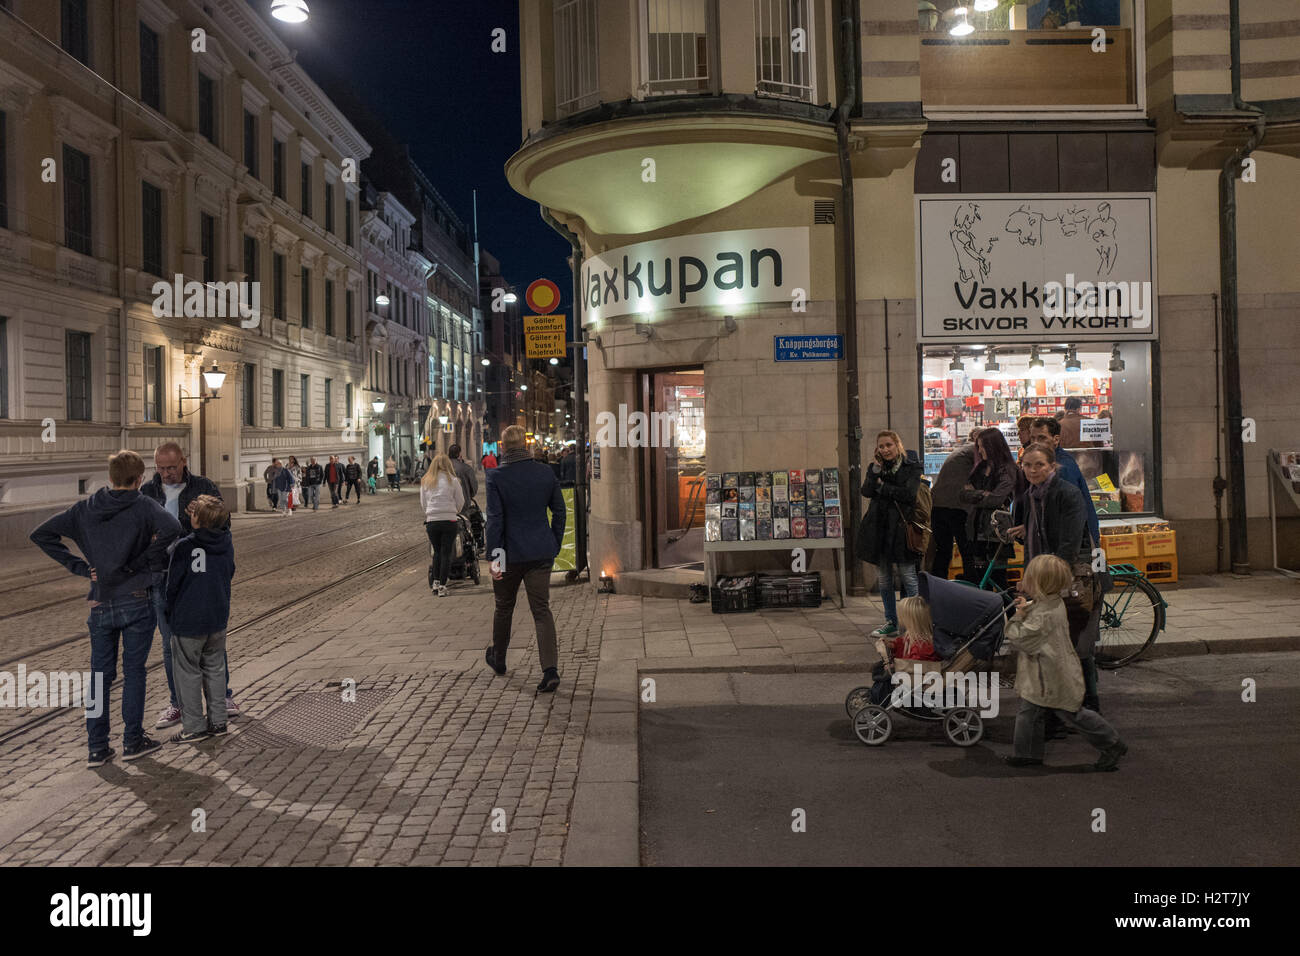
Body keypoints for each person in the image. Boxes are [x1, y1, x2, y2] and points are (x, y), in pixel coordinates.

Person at [30, 449, 182, 767]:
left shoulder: (86, 508)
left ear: (109, 477)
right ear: (139, 479)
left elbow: (41, 534)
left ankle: (97, 748)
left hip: (100, 601)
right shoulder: (143, 505)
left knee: (99, 677)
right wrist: (140, 562)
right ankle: (132, 740)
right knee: (134, 672)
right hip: (136, 598)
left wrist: (83, 568)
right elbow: (173, 529)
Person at [140, 441, 239, 729]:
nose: (166, 473)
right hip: (163, 577)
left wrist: (199, 525)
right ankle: (177, 703)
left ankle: (222, 698)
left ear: (183, 462)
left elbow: (224, 523)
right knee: (171, 643)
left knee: (211, 640)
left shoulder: (203, 486)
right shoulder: (148, 491)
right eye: (160, 468)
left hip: (200, 575)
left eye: (171, 467)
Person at [1004, 554, 1127, 771]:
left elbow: (1021, 637)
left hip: (1051, 677)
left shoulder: (1043, 615)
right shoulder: (1052, 602)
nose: (1024, 581)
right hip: (1048, 674)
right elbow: (1038, 612)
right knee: (1031, 713)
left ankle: (1111, 743)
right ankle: (1026, 754)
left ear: (1040, 584)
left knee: (1072, 713)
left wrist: (1017, 616)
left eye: (1029, 578)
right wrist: (1027, 607)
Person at [1010, 442, 1104, 717]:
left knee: (1078, 643)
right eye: (1027, 465)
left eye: (1039, 465)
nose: (1032, 470)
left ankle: (1089, 705)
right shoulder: (1031, 495)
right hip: (1048, 577)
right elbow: (1032, 542)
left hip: (1074, 577)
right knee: (1057, 643)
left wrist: (1046, 581)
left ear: (1053, 466)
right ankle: (1056, 709)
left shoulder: (1066, 493)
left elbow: (1069, 544)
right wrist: (1030, 578)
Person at [485, 424, 565, 692]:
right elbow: (560, 511)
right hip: (541, 552)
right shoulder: (545, 472)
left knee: (504, 606)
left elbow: (495, 520)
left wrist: (494, 558)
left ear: (503, 447)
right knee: (541, 610)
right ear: (527, 446)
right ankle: (550, 669)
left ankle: (499, 659)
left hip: (508, 554)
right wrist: (554, 542)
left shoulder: (496, 476)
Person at [164, 495, 235, 742]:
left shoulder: (184, 547)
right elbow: (231, 573)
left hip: (188, 620)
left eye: (194, 513)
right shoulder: (226, 543)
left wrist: (169, 612)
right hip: (217, 617)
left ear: (198, 520)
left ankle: (194, 727)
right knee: (215, 669)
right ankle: (218, 722)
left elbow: (171, 585)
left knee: (187, 673)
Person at [856, 429, 924, 638]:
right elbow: (866, 491)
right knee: (884, 579)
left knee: (909, 578)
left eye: (888, 445)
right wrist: (874, 474)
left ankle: (917, 624)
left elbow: (909, 495)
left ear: (897, 445)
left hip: (902, 530)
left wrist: (883, 487)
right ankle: (891, 622)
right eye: (881, 446)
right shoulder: (875, 468)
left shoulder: (912, 466)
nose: (885, 450)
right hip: (880, 530)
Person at [959, 427, 1021, 590]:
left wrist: (975, 495)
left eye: (982, 446)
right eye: (977, 446)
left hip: (996, 531)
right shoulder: (980, 468)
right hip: (976, 529)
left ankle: (1006, 613)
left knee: (997, 579)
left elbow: (996, 499)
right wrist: (983, 495)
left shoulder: (1008, 469)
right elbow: (963, 494)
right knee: (981, 580)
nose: (979, 450)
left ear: (993, 446)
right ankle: (989, 615)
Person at [1029, 416, 1099, 547]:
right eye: (1033, 438)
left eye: (1042, 438)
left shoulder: (1062, 467)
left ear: (1056, 440)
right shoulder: (1047, 463)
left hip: (1074, 543)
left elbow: (1071, 513)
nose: (1035, 443)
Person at [866, 596, 941, 705]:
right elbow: (901, 643)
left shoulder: (923, 645)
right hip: (912, 675)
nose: (900, 620)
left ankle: (877, 701)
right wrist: (891, 645)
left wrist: (894, 665)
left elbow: (914, 664)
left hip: (915, 677)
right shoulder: (913, 637)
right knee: (881, 669)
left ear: (911, 621)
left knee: (886, 677)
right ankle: (875, 697)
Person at [927, 430, 981, 580]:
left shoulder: (962, 451)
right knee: (966, 549)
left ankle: (938, 586)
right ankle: (972, 586)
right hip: (957, 506)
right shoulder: (975, 452)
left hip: (939, 504)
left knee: (943, 550)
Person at [421, 454, 466, 597]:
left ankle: (435, 582)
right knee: (446, 553)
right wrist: (455, 511)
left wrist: (430, 514)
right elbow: (461, 501)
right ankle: (442, 585)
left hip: (432, 521)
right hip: (449, 520)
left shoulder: (426, 482)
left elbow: (423, 503)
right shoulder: (453, 480)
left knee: (437, 552)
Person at [447, 443, 478, 511]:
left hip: (446, 505)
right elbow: (474, 488)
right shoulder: (466, 468)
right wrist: (468, 495)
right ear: (459, 454)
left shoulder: (443, 468)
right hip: (463, 505)